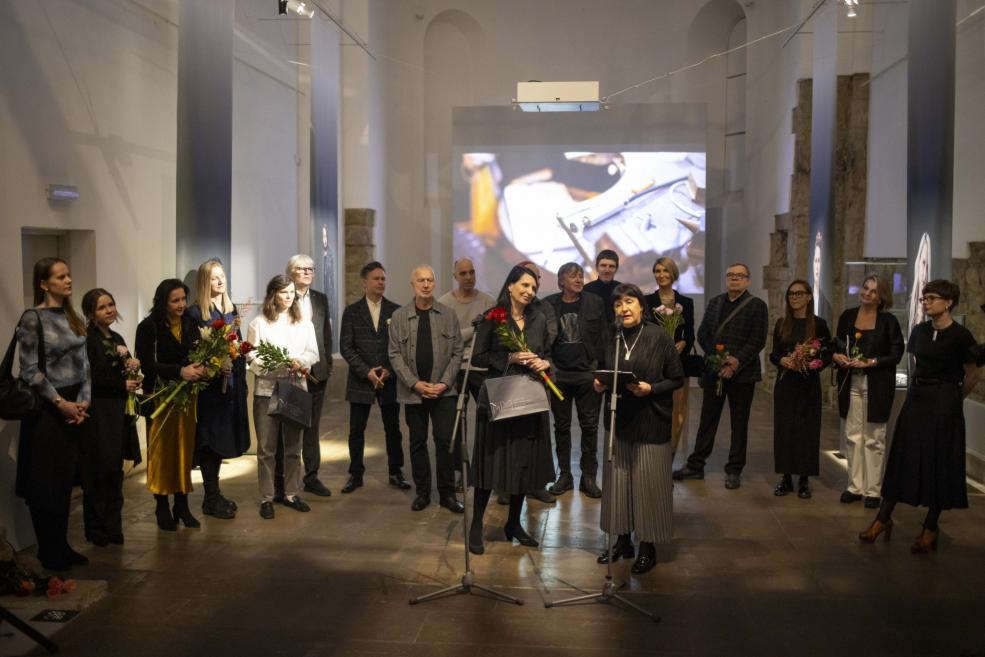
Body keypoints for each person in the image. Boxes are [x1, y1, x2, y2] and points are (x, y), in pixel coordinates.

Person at [860, 280, 982, 553]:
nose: (926, 303)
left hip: (944, 400)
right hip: (917, 399)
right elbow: (917, 364)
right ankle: (882, 518)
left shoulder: (961, 336)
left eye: (932, 298)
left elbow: (972, 373)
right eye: (924, 298)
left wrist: (953, 397)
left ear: (948, 302)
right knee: (902, 455)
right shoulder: (919, 331)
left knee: (940, 461)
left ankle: (930, 526)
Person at [594, 284, 684, 574]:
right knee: (618, 485)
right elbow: (600, 368)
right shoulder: (612, 335)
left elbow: (677, 378)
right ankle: (622, 540)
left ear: (642, 307)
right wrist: (598, 382)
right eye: (618, 304)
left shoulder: (658, 337)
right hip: (619, 420)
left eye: (629, 302)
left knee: (648, 486)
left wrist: (651, 388)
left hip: (650, 419)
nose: (624, 308)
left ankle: (648, 547)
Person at [467, 265, 556, 554]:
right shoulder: (493, 318)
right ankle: (476, 525)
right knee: (490, 462)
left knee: (523, 463)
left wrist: (545, 363)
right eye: (525, 286)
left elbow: (547, 353)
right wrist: (510, 356)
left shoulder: (539, 319)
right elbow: (479, 355)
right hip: (500, 396)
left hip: (529, 398)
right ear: (510, 286)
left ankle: (513, 524)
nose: (530, 292)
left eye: (533, 287)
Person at [16, 257, 92, 570]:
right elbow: (29, 370)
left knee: (65, 481)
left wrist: (84, 401)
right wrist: (61, 403)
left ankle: (61, 544)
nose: (68, 280)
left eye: (68, 274)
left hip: (76, 405)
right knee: (45, 483)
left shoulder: (73, 315)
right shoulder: (34, 317)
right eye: (60, 277)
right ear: (44, 283)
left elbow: (84, 363)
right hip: (49, 409)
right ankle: (49, 549)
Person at [673, 263, 768, 489]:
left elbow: (758, 339)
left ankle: (734, 469)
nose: (734, 279)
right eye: (731, 275)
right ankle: (696, 466)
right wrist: (717, 358)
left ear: (748, 280)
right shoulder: (715, 302)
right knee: (707, 420)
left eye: (739, 276)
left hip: (742, 374)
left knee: (739, 423)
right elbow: (703, 333)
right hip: (715, 370)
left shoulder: (757, 306)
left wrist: (735, 362)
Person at [387, 265, 465, 513]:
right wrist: (415, 384)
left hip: (444, 392)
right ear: (413, 284)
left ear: (435, 283)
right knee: (418, 442)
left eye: (430, 280)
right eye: (421, 280)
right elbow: (394, 354)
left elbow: (457, 352)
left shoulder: (448, 314)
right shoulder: (400, 316)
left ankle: (447, 494)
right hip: (413, 392)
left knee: (444, 442)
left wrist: (443, 384)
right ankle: (422, 493)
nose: (426, 284)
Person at [135, 279, 207, 531]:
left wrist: (202, 367)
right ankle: (161, 505)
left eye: (183, 299)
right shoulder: (148, 327)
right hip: (160, 396)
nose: (181, 305)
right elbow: (147, 365)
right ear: (162, 302)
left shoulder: (190, 323)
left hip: (186, 397)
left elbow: (199, 354)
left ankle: (182, 504)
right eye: (174, 300)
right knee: (162, 453)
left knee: (184, 451)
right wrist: (180, 371)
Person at [247, 275, 320, 519]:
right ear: (273, 295)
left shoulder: (304, 323)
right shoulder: (259, 323)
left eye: (292, 293)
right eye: (284, 292)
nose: (289, 297)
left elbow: (313, 353)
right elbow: (252, 357)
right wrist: (275, 364)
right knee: (266, 449)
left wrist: (302, 362)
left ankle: (291, 493)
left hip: (295, 389)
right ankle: (267, 497)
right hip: (267, 391)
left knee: (293, 447)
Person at [186, 259, 250, 519]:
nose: (220, 281)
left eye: (222, 276)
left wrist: (236, 362)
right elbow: (192, 353)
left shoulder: (231, 309)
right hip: (209, 390)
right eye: (214, 278)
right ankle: (210, 496)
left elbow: (238, 345)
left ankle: (214, 493)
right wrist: (213, 365)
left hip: (230, 385)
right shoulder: (195, 313)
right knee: (209, 441)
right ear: (204, 282)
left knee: (223, 439)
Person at [833, 274, 904, 508]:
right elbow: (837, 344)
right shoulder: (847, 316)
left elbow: (895, 354)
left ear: (881, 296)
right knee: (853, 436)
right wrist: (838, 356)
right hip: (851, 381)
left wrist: (870, 362)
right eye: (865, 288)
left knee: (874, 437)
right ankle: (854, 486)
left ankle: (873, 490)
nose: (867, 293)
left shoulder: (889, 321)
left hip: (877, 384)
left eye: (873, 291)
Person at [338, 261, 408, 493]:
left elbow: (401, 345)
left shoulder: (396, 311)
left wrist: (387, 369)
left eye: (383, 279)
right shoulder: (352, 311)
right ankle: (355, 474)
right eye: (376, 278)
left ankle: (395, 472)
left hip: (388, 379)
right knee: (356, 430)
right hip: (361, 379)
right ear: (364, 282)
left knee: (393, 429)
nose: (381, 282)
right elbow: (346, 347)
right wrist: (367, 371)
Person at [80, 288, 142, 547]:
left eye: (111, 305)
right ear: (91, 314)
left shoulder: (116, 336)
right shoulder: (88, 339)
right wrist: (121, 385)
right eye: (102, 307)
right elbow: (91, 378)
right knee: (99, 470)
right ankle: (96, 527)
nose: (109, 310)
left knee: (115, 470)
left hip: (118, 412)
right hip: (100, 411)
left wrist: (133, 369)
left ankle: (113, 525)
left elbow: (124, 370)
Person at [543, 262, 605, 498]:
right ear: (561, 281)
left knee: (590, 427)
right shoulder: (549, 304)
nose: (579, 279)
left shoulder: (594, 302)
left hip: (587, 375)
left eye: (580, 275)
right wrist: (549, 369)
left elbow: (604, 337)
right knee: (561, 427)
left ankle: (588, 477)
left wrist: (599, 370)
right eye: (573, 276)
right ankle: (565, 475)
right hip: (560, 375)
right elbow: (544, 338)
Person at [768, 280, 831, 499]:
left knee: (807, 431)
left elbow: (827, 354)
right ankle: (785, 477)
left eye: (799, 293)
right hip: (786, 384)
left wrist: (815, 363)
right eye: (791, 294)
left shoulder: (819, 325)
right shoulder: (781, 324)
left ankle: (804, 479)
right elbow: (773, 354)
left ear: (809, 297)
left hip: (808, 385)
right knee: (785, 430)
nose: (794, 297)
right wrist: (782, 360)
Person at [437, 257, 495, 489]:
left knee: (487, 419)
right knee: (454, 421)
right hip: (454, 368)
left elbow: (491, 335)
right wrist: (475, 328)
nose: (468, 277)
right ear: (455, 276)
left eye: (471, 272)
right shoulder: (444, 303)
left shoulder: (488, 301)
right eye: (463, 273)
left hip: (481, 367)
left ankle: (486, 469)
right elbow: (449, 338)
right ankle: (460, 470)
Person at [280, 254, 333, 499]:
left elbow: (325, 334)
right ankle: (284, 480)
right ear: (291, 272)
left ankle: (312, 477)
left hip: (317, 374)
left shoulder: (320, 299)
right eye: (301, 268)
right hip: (290, 373)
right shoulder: (283, 298)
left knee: (312, 427)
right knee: (289, 427)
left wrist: (327, 365)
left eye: (310, 268)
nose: (307, 272)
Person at [644, 256, 695, 456]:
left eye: (665, 271)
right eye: (657, 271)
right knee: (653, 409)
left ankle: (670, 454)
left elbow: (690, 334)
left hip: (677, 364)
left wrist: (683, 343)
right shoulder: (647, 301)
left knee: (677, 413)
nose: (661, 275)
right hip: (653, 365)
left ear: (673, 274)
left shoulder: (686, 302)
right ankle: (653, 453)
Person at [583, 249, 623, 314]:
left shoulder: (623, 290)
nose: (607, 270)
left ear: (616, 269)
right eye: (603, 265)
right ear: (596, 267)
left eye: (611, 266)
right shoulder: (585, 291)